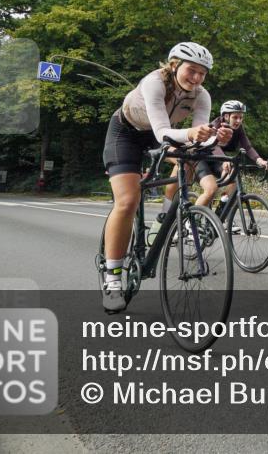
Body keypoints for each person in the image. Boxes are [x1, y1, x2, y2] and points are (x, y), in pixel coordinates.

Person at [100, 42, 233, 313]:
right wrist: (195, 134)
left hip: (162, 134)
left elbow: (199, 141)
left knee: (191, 160)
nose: (196, 78)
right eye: (191, 70)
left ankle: (168, 213)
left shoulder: (202, 96)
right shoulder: (154, 83)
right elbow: (163, 132)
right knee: (127, 201)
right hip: (126, 133)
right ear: (174, 66)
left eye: (202, 73)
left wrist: (215, 138)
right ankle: (112, 278)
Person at [194, 100, 268, 209]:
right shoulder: (215, 126)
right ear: (226, 116)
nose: (238, 121)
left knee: (233, 180)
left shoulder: (238, 129)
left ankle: (222, 211)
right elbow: (214, 145)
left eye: (241, 117)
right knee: (211, 190)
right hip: (200, 159)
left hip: (216, 159)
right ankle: (191, 221)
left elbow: (247, 147)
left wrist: (260, 160)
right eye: (235, 117)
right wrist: (225, 160)